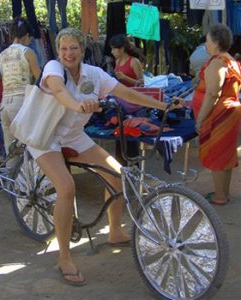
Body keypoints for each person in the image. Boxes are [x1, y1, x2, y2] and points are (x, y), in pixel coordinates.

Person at [27, 28, 181, 286]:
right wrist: (78, 105)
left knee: (118, 174)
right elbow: (58, 91)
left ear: (82, 49)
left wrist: (163, 105)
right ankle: (64, 257)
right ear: (58, 51)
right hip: (44, 135)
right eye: (63, 48)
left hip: (74, 135)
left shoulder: (94, 74)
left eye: (73, 47)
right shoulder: (53, 67)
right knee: (66, 187)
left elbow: (126, 93)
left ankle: (115, 231)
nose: (68, 53)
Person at [192, 24, 241, 206]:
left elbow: (213, 93)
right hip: (229, 112)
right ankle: (223, 193)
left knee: (217, 156)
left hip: (219, 114)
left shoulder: (218, 62)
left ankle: (220, 197)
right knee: (226, 156)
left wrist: (200, 119)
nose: (206, 43)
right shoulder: (231, 60)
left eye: (208, 40)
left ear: (216, 42)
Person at [0, 17, 41, 156]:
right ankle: (30, 177)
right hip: (22, 101)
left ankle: (12, 175)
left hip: (4, 102)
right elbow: (40, 78)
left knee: (10, 145)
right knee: (28, 144)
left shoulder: (2, 55)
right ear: (27, 36)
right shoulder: (27, 52)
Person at [109, 34, 145, 166]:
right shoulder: (117, 62)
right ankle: (121, 163)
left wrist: (125, 78)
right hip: (121, 101)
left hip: (134, 103)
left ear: (122, 49)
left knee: (131, 135)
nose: (112, 52)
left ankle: (133, 165)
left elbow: (142, 84)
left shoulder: (133, 62)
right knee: (120, 133)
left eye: (114, 49)